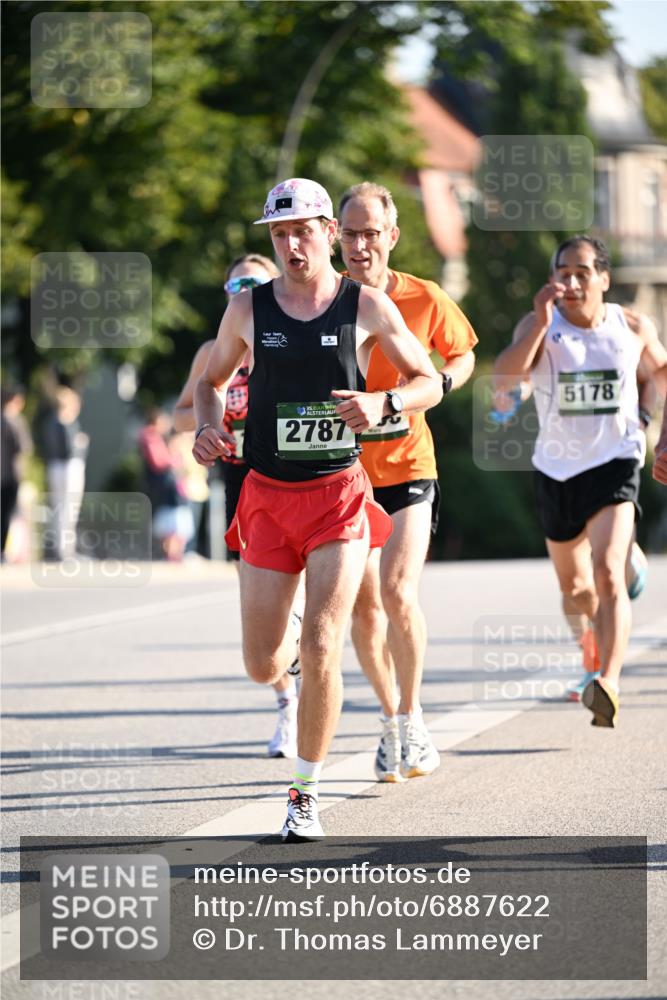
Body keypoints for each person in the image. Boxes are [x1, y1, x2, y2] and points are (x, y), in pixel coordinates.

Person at [192, 177, 442, 841]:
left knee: (326, 637)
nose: (291, 244)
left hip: (338, 496)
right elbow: (209, 384)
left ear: (330, 232)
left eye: (303, 230)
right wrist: (206, 427)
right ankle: (290, 668)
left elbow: (430, 381)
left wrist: (383, 404)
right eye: (279, 234)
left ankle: (303, 796)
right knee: (261, 663)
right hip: (268, 498)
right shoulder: (248, 309)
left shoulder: (365, 305)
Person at [494, 235, 667, 727]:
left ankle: (608, 681)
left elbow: (663, 377)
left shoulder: (631, 324)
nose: (570, 282)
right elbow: (505, 380)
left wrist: (664, 436)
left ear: (604, 280)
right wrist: (540, 325)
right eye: (562, 272)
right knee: (575, 589)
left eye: (582, 272)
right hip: (557, 469)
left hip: (615, 462)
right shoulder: (539, 325)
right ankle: (590, 657)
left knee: (607, 571)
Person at [337, 182, 478, 781]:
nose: (361, 244)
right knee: (364, 611)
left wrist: (437, 387)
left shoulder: (423, 296)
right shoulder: (320, 302)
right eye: (351, 233)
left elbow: (464, 353)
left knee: (396, 592)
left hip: (408, 465)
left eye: (372, 233)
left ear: (392, 236)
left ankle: (414, 718)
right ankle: (391, 717)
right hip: (343, 476)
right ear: (335, 238)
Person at [174, 253, 301, 759]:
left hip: (295, 475)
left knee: (306, 602)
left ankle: (308, 700)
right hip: (240, 479)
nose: (243, 291)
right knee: (261, 606)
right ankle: (287, 705)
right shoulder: (214, 349)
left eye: (253, 282)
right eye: (235, 285)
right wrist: (210, 425)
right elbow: (182, 412)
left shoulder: (293, 334)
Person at [38, 385, 88, 561]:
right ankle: (66, 552)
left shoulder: (50, 422)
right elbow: (68, 449)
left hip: (55, 467)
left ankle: (63, 550)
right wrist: (80, 443)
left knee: (60, 509)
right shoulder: (65, 422)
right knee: (68, 509)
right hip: (68, 468)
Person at [138, 408, 194, 562]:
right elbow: (158, 461)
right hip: (162, 485)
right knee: (170, 519)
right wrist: (174, 460)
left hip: (163, 484)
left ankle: (172, 553)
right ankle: (170, 554)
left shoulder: (154, 437)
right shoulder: (150, 436)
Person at [1, 385, 32, 561]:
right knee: (7, 513)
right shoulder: (14, 421)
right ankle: (4, 550)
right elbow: (24, 448)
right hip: (10, 474)